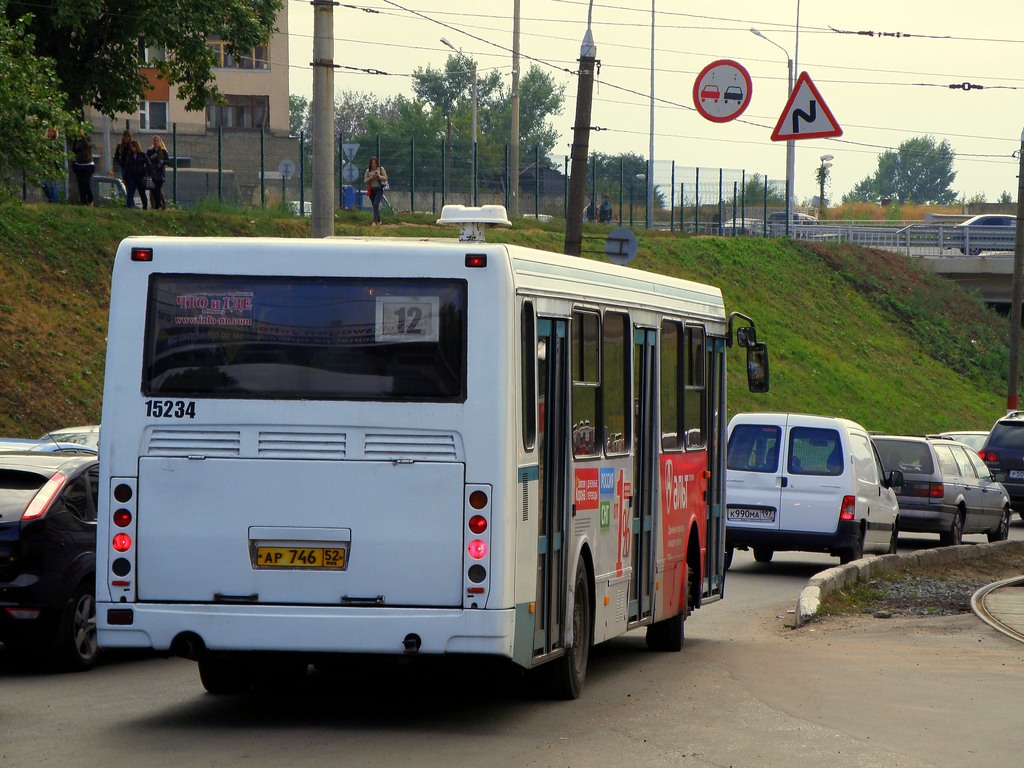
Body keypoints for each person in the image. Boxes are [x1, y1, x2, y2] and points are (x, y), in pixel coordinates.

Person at [122, 139, 153, 209]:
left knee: (142, 192)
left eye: (133, 147)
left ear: (136, 147)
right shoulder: (129, 156)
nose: (132, 148)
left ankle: (145, 206)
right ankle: (128, 205)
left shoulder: (142, 155)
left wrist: (145, 172)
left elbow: (149, 165)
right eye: (131, 147)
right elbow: (127, 167)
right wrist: (124, 177)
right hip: (131, 176)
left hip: (140, 176)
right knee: (130, 191)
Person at [71, 130, 95, 206]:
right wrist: (73, 164)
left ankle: (90, 199)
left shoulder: (88, 138)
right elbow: (73, 152)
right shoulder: (76, 140)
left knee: (85, 182)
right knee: (80, 184)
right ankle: (83, 202)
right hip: (78, 164)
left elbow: (87, 146)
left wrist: (83, 137)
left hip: (88, 164)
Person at [363, 155, 388, 226]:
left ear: (377, 163)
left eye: (374, 163)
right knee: (374, 205)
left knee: (376, 203)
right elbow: (365, 181)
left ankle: (375, 221)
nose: (373, 164)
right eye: (372, 163)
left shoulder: (381, 169)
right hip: (371, 189)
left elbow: (385, 178)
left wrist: (378, 176)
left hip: (379, 188)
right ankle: (379, 221)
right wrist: (370, 178)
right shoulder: (368, 171)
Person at [146, 136, 170, 210]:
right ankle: (156, 206)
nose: (156, 142)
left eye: (157, 141)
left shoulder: (163, 151)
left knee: (158, 189)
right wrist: (152, 157)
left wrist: (162, 162)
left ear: (160, 142)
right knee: (153, 190)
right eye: (155, 141)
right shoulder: (150, 151)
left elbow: (168, 161)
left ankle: (160, 204)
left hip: (160, 174)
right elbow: (147, 160)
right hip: (152, 173)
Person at [40, 127, 61, 203]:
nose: (50, 133)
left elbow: (59, 154)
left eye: (52, 131)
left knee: (52, 185)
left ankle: (55, 201)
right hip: (46, 165)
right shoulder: (45, 142)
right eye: (49, 131)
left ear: (55, 133)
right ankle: (50, 198)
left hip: (54, 166)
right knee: (44, 183)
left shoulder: (57, 142)